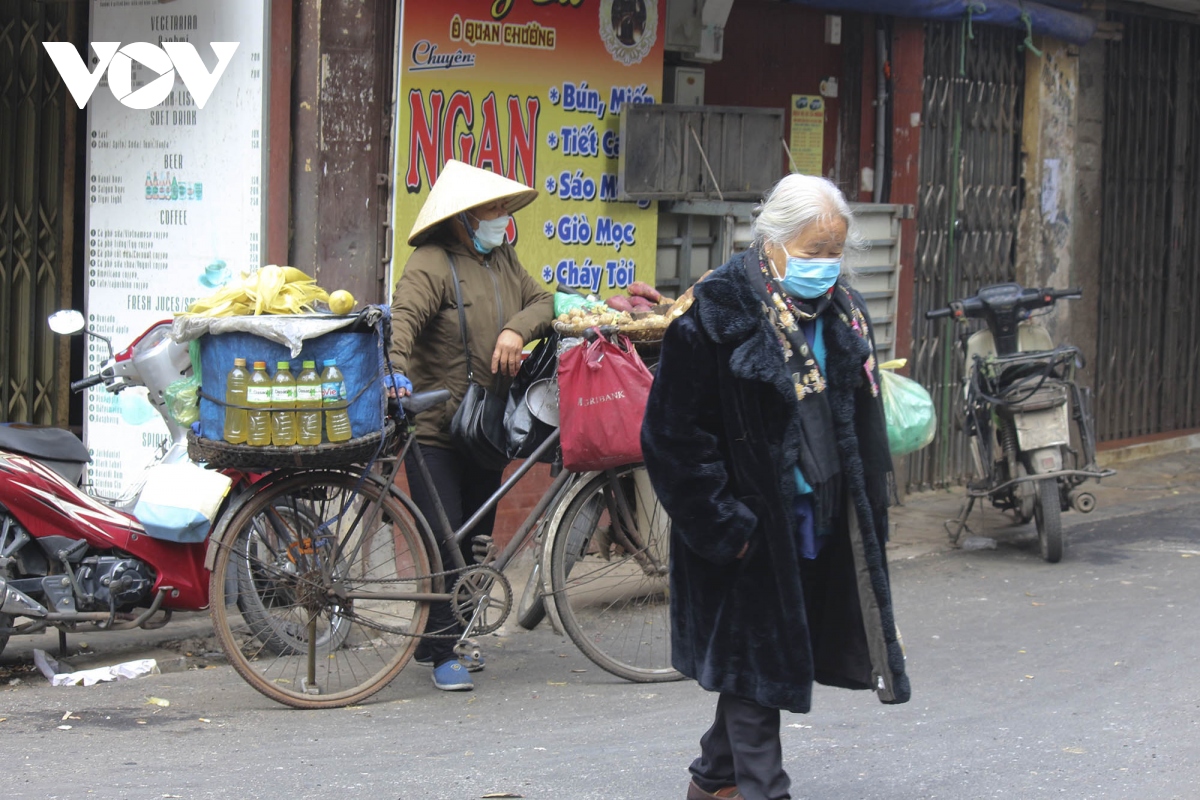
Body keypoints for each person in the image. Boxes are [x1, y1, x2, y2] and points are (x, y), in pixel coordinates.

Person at [640, 174, 911, 800]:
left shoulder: (844, 310)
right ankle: (766, 788)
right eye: (813, 251)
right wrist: (726, 528)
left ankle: (713, 779)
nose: (826, 265)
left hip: (818, 513)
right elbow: (671, 437)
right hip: (745, 527)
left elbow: (861, 421)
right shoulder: (714, 312)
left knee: (765, 653)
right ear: (774, 241)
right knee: (755, 657)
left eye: (835, 251)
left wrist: (870, 506)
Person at [388, 160, 553, 692]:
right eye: (491, 209)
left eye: (504, 209)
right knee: (445, 538)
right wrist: (394, 371)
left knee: (476, 538)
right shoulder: (430, 263)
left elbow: (543, 300)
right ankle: (440, 653)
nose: (501, 219)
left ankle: (447, 635)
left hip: (487, 423)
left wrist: (514, 329)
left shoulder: (504, 258)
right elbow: (404, 322)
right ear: (462, 219)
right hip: (435, 427)